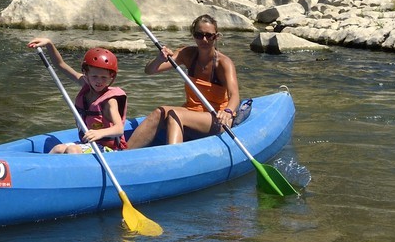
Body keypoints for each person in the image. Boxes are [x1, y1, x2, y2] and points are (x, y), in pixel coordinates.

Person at [122, 14, 241, 150]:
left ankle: (173, 158)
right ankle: (123, 153)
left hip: (216, 117)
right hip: (191, 111)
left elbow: (235, 95)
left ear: (216, 37)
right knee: (159, 112)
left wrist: (228, 111)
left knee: (175, 114)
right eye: (199, 35)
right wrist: (159, 59)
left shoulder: (224, 63)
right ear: (193, 35)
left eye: (209, 36)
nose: (204, 39)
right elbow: (149, 70)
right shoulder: (187, 54)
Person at [27, 39, 128, 154]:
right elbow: (60, 65)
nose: (99, 81)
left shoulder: (110, 100)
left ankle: (78, 171)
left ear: (111, 77)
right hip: (89, 145)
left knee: (72, 149)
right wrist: (49, 44)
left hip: (109, 150)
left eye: (104, 77)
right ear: (86, 75)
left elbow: (119, 129)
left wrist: (99, 133)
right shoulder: (85, 84)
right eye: (94, 76)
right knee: (58, 148)